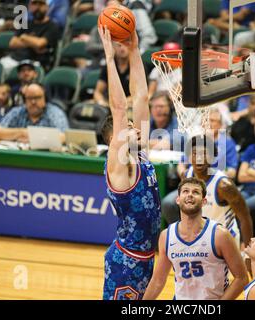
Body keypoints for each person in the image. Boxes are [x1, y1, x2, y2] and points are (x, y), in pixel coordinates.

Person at [98, 26, 161, 300]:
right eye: (127, 128)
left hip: (146, 258)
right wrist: (110, 59)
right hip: (126, 261)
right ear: (114, 140)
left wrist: (135, 50)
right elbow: (120, 107)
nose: (134, 127)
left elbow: (141, 97)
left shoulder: (140, 153)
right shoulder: (119, 166)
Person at [143, 177, 249, 300]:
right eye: (185, 191)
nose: (190, 195)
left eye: (196, 192)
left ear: (204, 201)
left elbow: (242, 278)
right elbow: (158, 280)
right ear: (177, 199)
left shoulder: (220, 235)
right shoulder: (166, 236)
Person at [162, 134, 253, 248]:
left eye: (204, 154)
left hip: (225, 242)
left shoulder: (224, 186)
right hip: (200, 241)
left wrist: (249, 256)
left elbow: (245, 217)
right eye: (195, 154)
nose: (199, 158)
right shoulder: (187, 176)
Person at [0, 83, 68, 143]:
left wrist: (34, 138)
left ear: (45, 99)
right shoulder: (18, 111)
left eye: (37, 97)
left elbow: (64, 136)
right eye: (29, 98)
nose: (33, 102)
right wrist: (22, 132)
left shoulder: (55, 112)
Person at [1, 0, 60, 72]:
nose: (38, 7)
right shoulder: (26, 24)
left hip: (35, 63)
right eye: (34, 3)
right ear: (29, 6)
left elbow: (39, 44)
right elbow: (12, 43)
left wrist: (24, 37)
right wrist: (32, 43)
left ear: (47, 7)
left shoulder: (52, 26)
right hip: (15, 59)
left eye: (41, 3)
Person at [94, 41, 130, 106]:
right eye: (119, 45)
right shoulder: (108, 66)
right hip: (110, 104)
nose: (122, 48)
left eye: (125, 45)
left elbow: (142, 94)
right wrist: (101, 102)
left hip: (130, 105)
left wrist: (123, 103)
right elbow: (98, 92)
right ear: (113, 48)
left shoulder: (138, 67)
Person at [208, 107, 239, 179]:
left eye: (212, 120)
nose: (209, 123)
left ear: (220, 124)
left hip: (216, 182)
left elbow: (232, 171)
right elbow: (182, 163)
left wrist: (210, 173)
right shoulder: (196, 140)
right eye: (206, 120)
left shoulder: (228, 143)